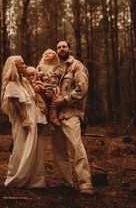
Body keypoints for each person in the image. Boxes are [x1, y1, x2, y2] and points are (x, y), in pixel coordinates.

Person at [51, 41, 94, 196]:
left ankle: (85, 184)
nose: (61, 49)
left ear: (69, 49)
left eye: (64, 46)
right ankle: (66, 183)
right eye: (58, 47)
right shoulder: (55, 69)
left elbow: (82, 88)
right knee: (59, 151)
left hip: (71, 113)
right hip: (55, 116)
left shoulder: (77, 66)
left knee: (76, 148)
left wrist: (65, 99)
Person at [1, 55, 45, 188]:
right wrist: (24, 119)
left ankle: (34, 181)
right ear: (16, 67)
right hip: (23, 120)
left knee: (34, 148)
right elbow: (14, 103)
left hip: (32, 116)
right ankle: (18, 179)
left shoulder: (24, 81)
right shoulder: (12, 84)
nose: (25, 66)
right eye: (23, 64)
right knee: (22, 147)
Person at [37, 49, 62, 128]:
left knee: (54, 103)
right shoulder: (40, 66)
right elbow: (34, 75)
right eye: (45, 53)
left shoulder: (56, 66)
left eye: (50, 53)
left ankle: (53, 118)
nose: (47, 54)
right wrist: (39, 74)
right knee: (43, 104)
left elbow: (60, 73)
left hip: (54, 87)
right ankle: (45, 120)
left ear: (54, 57)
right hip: (44, 87)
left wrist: (58, 73)